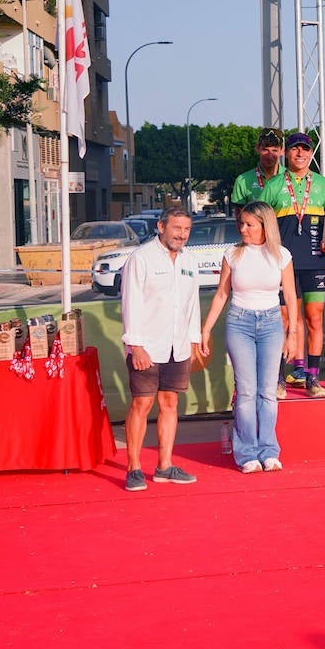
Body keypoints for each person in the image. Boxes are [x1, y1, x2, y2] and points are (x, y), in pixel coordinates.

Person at [199, 202, 299, 473]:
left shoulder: (282, 255)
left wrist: (292, 334)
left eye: (249, 224)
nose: (243, 229)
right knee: (245, 391)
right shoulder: (232, 253)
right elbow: (222, 294)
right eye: (241, 223)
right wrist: (206, 329)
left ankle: (269, 450)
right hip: (239, 322)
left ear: (265, 226)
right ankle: (246, 454)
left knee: (268, 392)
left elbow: (290, 296)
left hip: (271, 324)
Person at [120, 206, 202, 491]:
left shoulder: (190, 260)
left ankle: (164, 467)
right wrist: (136, 345)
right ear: (161, 226)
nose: (181, 235)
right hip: (146, 345)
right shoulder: (140, 258)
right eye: (177, 228)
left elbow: (192, 304)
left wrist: (193, 341)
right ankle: (133, 469)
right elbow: (130, 302)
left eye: (186, 230)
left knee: (170, 403)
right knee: (142, 404)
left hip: (177, 347)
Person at [258, 131, 325, 398]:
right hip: (281, 265)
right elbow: (262, 224)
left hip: (314, 262)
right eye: (295, 149)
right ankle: (279, 378)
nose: (300, 154)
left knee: (314, 319)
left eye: (305, 149)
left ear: (311, 153)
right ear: (286, 153)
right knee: (283, 321)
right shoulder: (273, 185)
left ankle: (312, 378)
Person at [231, 128, 284, 214]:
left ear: (282, 151)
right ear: (257, 148)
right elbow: (239, 218)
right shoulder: (242, 180)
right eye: (265, 150)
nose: (269, 155)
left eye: (274, 150)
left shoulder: (290, 178)